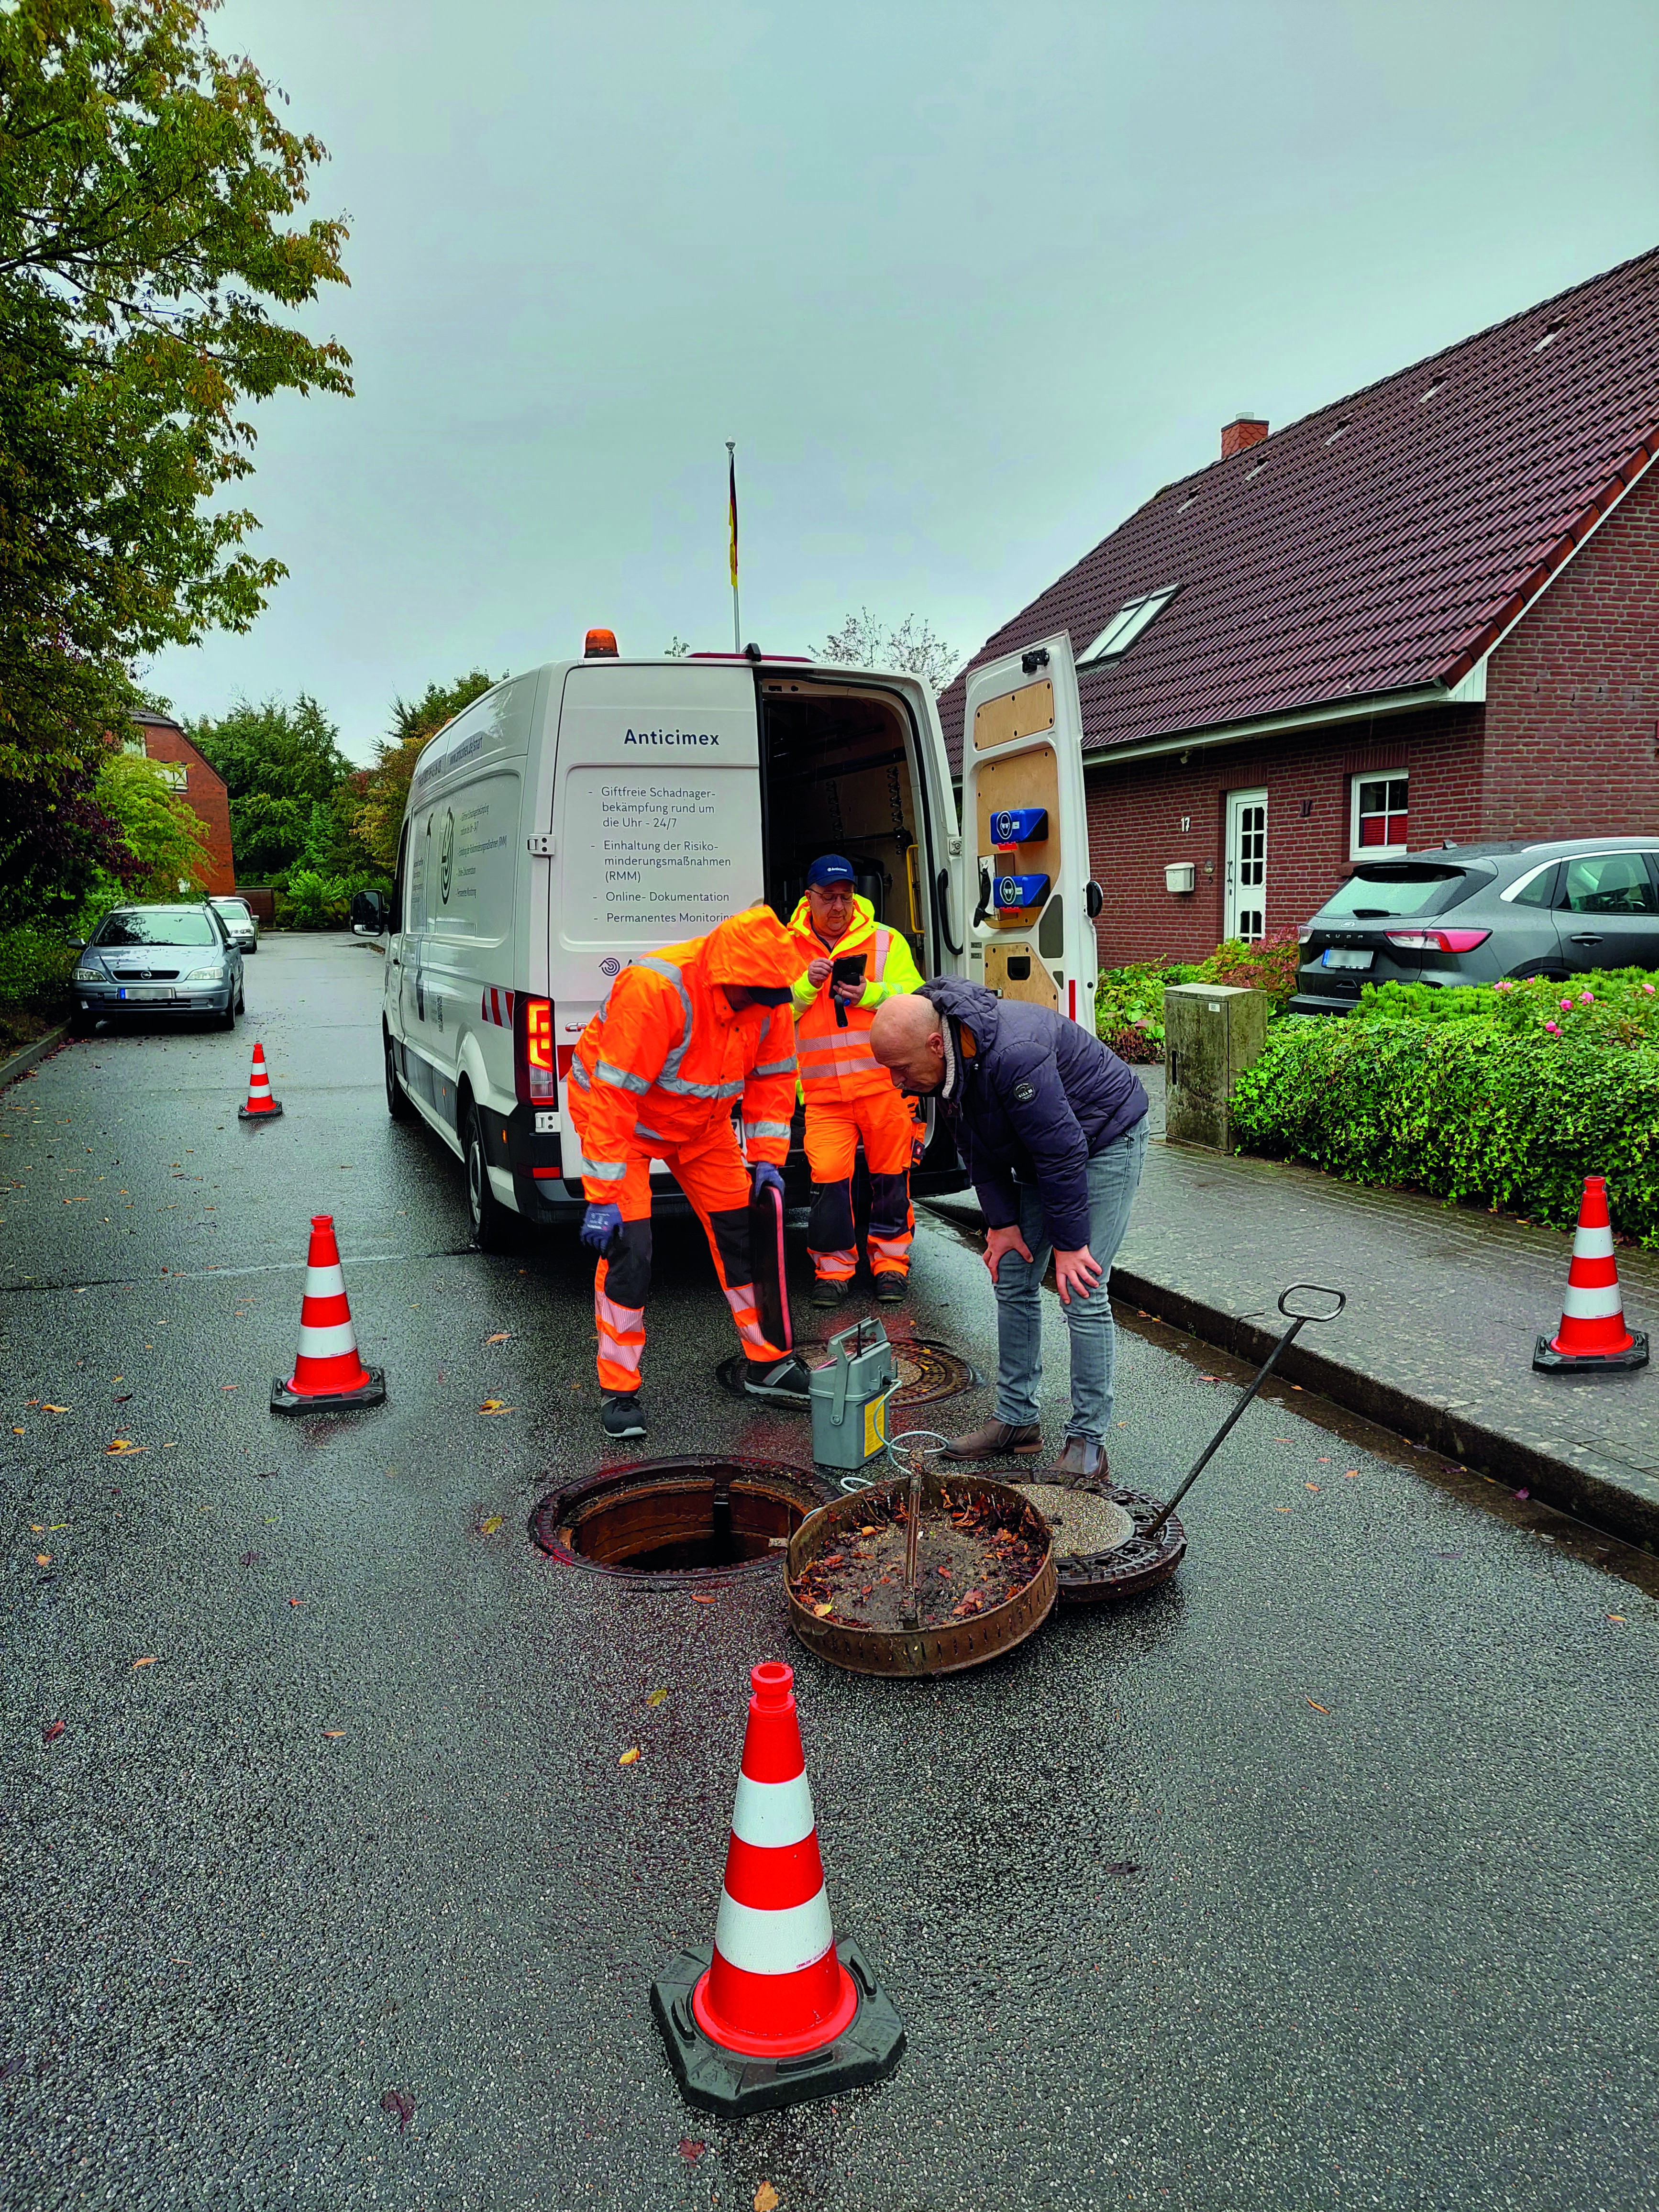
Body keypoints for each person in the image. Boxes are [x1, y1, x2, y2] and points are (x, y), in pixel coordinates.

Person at [868, 981, 1149, 1481]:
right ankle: (1018, 1421)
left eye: (901, 1069)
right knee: (1014, 1275)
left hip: (1105, 1139)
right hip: (1047, 1151)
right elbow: (974, 1144)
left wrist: (1069, 1245)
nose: (896, 1082)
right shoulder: (949, 1063)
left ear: (935, 1044)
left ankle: (1088, 1441)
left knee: (1081, 1288)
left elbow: (1062, 1151)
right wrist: (1001, 1224)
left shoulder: (1014, 1054)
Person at [566, 905, 814, 1439]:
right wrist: (604, 1196)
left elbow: (774, 1082)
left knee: (743, 1235)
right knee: (630, 1252)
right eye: (753, 998)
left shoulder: (766, 996)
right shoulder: (655, 992)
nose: (764, 1010)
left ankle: (767, 1362)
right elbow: (613, 1100)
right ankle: (619, 1389)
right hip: (624, 1127)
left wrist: (768, 1159)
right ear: (726, 976)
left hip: (700, 1129)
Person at [785, 854, 925, 1307]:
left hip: (885, 1088)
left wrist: (873, 994)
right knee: (828, 1182)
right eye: (829, 898)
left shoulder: (885, 942)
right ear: (809, 898)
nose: (839, 907)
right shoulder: (786, 948)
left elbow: (919, 1002)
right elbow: (769, 1017)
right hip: (824, 1096)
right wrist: (807, 988)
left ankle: (890, 1266)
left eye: (845, 897)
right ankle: (833, 1271)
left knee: (891, 1178)